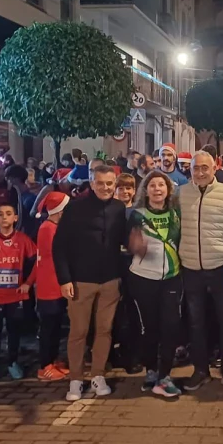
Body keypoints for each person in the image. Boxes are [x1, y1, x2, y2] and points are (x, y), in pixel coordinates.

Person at [53, 165, 127, 401]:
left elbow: (123, 240)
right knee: (79, 331)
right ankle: (75, 379)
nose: (105, 188)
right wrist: (64, 279)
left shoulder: (118, 208)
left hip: (110, 281)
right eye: (101, 183)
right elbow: (59, 246)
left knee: (104, 330)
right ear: (92, 183)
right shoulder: (75, 208)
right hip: (80, 280)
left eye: (109, 184)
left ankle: (98, 375)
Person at [178, 151, 223, 392]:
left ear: (214, 167)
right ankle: (200, 370)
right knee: (196, 322)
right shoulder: (181, 194)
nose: (200, 173)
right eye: (196, 168)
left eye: (204, 168)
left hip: (221, 269)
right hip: (191, 269)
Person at [127, 171, 183, 398]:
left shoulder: (176, 214)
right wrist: (134, 246)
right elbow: (127, 242)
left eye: (162, 185)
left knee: (170, 326)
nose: (157, 189)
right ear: (146, 190)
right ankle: (151, 371)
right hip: (143, 278)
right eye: (153, 185)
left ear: (168, 190)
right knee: (149, 327)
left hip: (172, 276)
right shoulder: (136, 215)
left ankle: (165, 375)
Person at [0, 202, 35, 385]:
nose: (4, 217)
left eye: (8, 213)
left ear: (15, 218)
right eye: (0, 214)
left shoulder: (23, 240)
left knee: (14, 332)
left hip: (15, 296)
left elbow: (37, 262)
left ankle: (12, 362)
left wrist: (28, 283)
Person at [34, 192, 70, 381]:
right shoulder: (48, 228)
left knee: (55, 326)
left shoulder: (52, 227)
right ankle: (44, 365)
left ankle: (53, 360)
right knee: (48, 327)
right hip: (49, 286)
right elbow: (57, 255)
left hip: (55, 285)